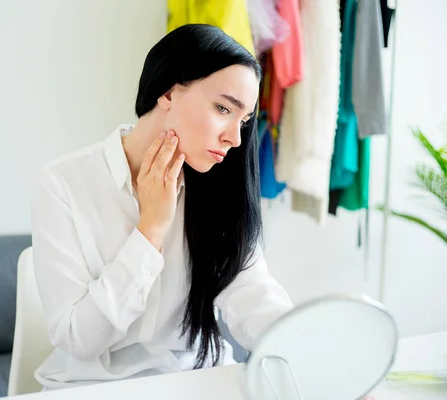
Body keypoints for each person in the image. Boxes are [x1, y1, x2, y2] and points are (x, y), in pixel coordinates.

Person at [31, 23, 292, 390]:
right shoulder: (63, 184)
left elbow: (257, 301)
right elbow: (79, 338)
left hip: (197, 383)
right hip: (93, 388)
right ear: (169, 92)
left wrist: (321, 364)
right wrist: (151, 228)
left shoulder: (219, 190)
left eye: (243, 121)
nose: (234, 139)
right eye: (222, 108)